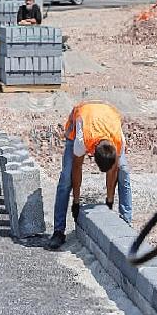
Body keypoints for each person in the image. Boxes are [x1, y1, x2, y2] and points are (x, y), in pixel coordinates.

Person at [47, 101, 133, 250]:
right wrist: (76, 202)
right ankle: (58, 231)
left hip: (108, 114)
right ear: (92, 154)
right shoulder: (82, 139)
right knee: (66, 177)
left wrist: (109, 200)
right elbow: (77, 167)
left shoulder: (119, 141)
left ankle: (126, 222)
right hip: (81, 118)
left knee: (124, 170)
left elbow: (113, 170)